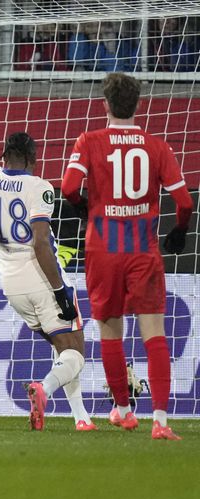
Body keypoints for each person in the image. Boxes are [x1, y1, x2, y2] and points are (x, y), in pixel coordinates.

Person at [61, 72, 194, 440]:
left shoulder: (89, 140)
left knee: (109, 332)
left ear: (105, 105)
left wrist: (83, 206)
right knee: (155, 334)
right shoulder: (157, 146)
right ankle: (162, 422)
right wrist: (180, 231)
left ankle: (123, 409)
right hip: (142, 249)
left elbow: (69, 187)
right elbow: (184, 202)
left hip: (103, 248)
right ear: (138, 105)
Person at [0, 132, 94, 432]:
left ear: (3, 158)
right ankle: (44, 390)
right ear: (32, 159)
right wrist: (60, 291)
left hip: (11, 285)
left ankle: (82, 419)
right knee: (75, 352)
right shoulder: (39, 187)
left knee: (62, 346)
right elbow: (40, 244)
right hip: (42, 278)